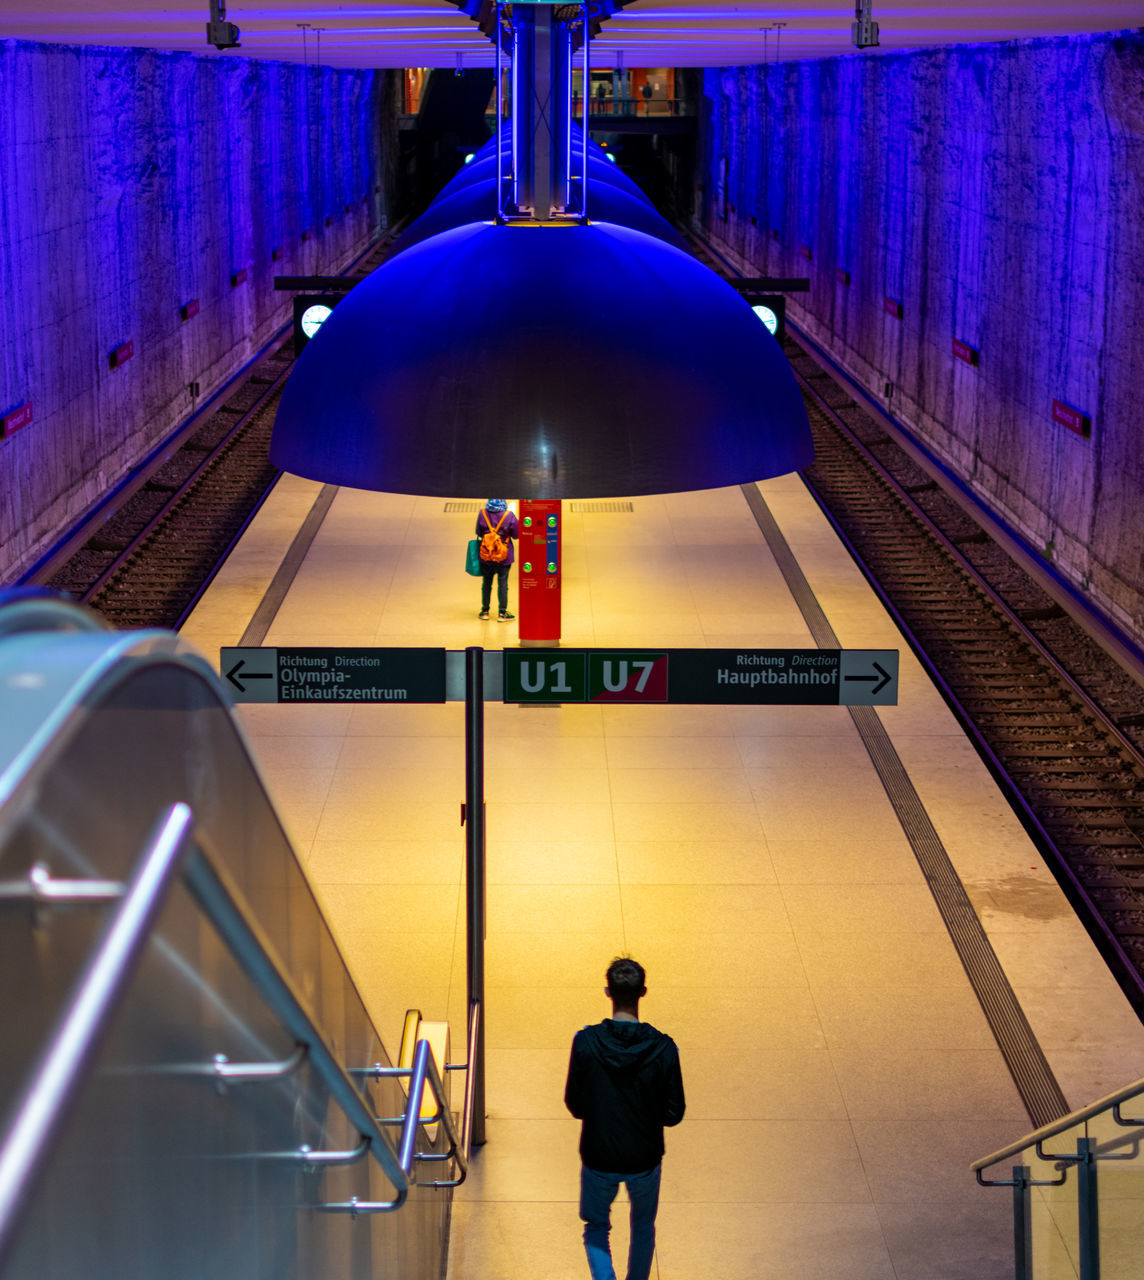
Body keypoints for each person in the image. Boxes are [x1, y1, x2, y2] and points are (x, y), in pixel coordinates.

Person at [564, 957, 685, 1280]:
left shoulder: (586, 1043)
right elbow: (674, 1114)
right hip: (644, 1158)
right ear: (643, 992)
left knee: (596, 1226)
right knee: (643, 1226)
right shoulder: (663, 1048)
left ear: (608, 992)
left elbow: (574, 1104)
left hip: (598, 1155)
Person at [475, 498, 518, 621]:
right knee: (503, 583)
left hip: (486, 555)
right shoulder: (509, 515)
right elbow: (516, 534)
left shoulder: (482, 513)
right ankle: (502, 613)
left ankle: (485, 611)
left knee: (487, 583)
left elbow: (478, 532)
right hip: (504, 556)